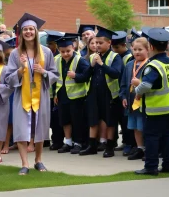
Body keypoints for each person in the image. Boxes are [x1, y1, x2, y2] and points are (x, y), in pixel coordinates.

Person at [5, 13, 59, 175]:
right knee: (22, 129)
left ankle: (38, 160)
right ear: (21, 33)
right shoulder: (15, 54)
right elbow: (8, 78)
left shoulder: (46, 52)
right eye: (25, 29)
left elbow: (54, 75)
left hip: (41, 95)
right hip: (22, 95)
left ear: (36, 32)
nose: (28, 32)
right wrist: (21, 69)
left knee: (40, 129)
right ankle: (24, 163)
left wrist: (43, 72)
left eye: (31, 29)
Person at [134, 28, 169, 176]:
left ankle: (151, 166)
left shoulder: (153, 65)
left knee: (151, 137)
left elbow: (146, 85)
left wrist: (137, 89)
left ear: (151, 47)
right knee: (166, 136)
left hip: (157, 108)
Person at [79, 26, 122, 158]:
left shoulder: (115, 57)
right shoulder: (93, 57)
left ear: (109, 43)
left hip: (109, 93)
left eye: (100, 43)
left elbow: (116, 73)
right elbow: (85, 76)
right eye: (96, 43)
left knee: (109, 120)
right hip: (94, 92)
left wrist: (102, 64)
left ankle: (109, 146)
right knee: (93, 119)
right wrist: (91, 66)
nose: (97, 45)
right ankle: (92, 146)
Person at [54, 37, 89, 154]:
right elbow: (56, 78)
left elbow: (87, 76)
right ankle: (68, 142)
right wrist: (55, 94)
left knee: (77, 120)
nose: (65, 54)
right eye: (62, 51)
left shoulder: (80, 60)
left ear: (73, 48)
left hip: (77, 97)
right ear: (59, 50)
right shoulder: (57, 60)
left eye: (68, 51)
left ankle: (78, 143)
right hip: (62, 94)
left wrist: (76, 76)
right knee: (65, 120)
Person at [120, 37, 149, 160]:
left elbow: (150, 84)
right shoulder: (129, 65)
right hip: (131, 102)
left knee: (144, 127)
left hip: (144, 102)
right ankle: (140, 148)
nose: (137, 52)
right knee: (136, 127)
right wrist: (123, 96)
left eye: (140, 49)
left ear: (148, 50)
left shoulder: (149, 65)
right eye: (135, 49)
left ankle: (149, 149)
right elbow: (123, 84)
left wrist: (139, 83)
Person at [45, 30, 64, 151]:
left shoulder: (58, 57)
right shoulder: (47, 55)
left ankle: (58, 141)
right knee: (51, 119)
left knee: (57, 119)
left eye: (51, 44)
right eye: (48, 44)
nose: (48, 46)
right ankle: (52, 139)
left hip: (58, 91)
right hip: (49, 92)